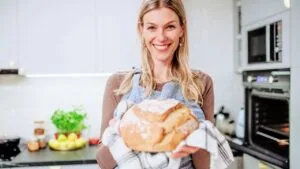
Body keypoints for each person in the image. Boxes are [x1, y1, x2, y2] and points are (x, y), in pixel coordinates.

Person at [97, 0, 214, 168]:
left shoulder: (201, 83)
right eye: (152, 27)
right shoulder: (119, 83)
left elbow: (205, 166)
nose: (161, 37)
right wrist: (124, 131)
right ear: (141, 29)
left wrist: (194, 134)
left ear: (182, 29)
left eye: (170, 27)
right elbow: (103, 163)